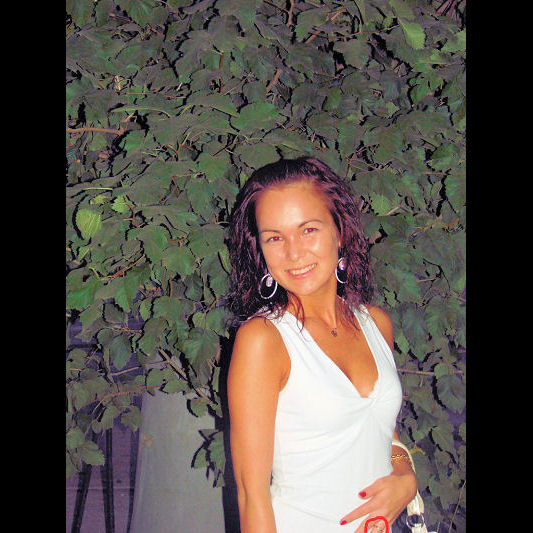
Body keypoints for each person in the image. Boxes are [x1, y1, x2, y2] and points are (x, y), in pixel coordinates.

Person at [225, 157, 418, 533]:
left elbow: (381, 431)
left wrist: (405, 477)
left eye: (308, 230)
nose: (293, 253)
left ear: (339, 232)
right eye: (274, 238)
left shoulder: (376, 324)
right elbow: (251, 494)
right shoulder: (264, 340)